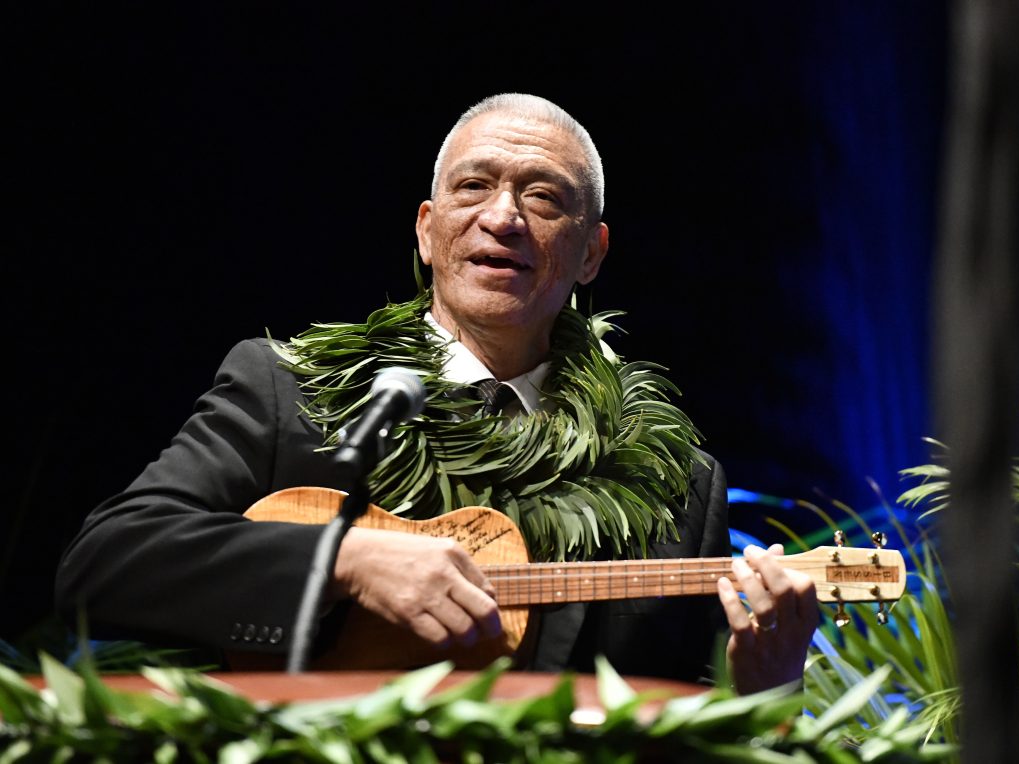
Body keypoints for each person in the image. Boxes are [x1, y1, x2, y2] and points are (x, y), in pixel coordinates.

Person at [55, 93, 817, 694]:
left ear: (592, 252)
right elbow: (106, 563)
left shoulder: (676, 487)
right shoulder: (291, 392)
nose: (502, 217)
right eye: (474, 186)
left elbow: (694, 720)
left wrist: (767, 682)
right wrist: (342, 559)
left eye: (543, 198)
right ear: (427, 231)